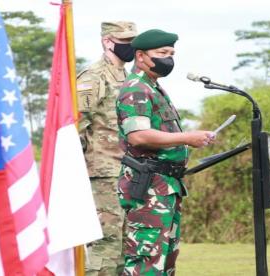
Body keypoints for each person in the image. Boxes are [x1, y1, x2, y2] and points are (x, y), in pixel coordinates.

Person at [115, 29, 216, 275]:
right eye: (161, 53)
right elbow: (138, 136)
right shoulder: (137, 89)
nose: (168, 59)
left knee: (165, 261)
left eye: (171, 53)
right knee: (146, 262)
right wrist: (187, 137)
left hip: (166, 186)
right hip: (148, 187)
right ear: (140, 56)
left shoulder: (153, 87)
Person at [77, 21, 138, 276]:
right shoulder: (94, 76)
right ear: (107, 41)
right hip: (103, 171)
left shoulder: (128, 76)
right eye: (125, 41)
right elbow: (77, 124)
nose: (131, 46)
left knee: (126, 244)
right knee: (107, 241)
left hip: (127, 169)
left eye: (133, 41)